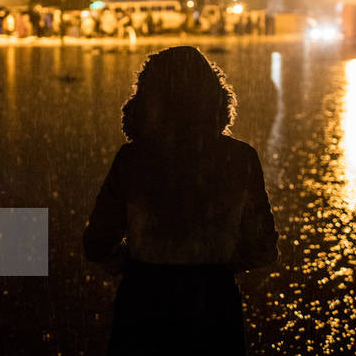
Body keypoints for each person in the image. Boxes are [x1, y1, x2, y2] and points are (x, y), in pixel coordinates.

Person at [83, 46, 279, 355]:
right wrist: (215, 266)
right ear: (214, 96)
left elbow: (96, 243)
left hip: (143, 308)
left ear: (148, 98)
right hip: (214, 309)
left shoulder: (134, 160)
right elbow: (263, 248)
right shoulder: (240, 159)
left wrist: (135, 265)